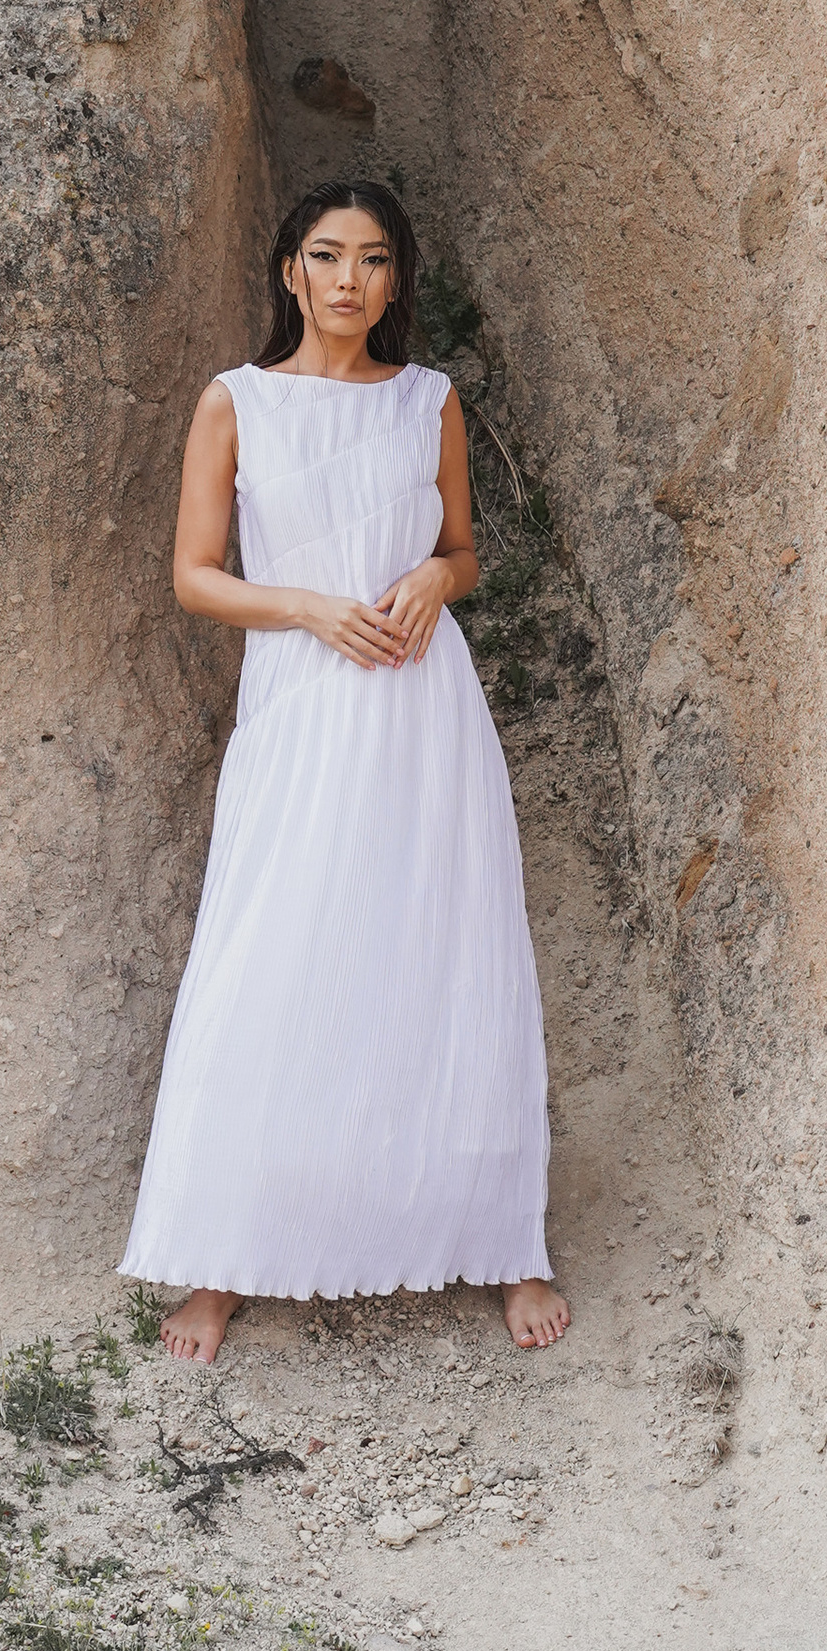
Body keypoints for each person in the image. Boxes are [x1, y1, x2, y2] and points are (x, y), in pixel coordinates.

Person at [119, 179, 570, 1363]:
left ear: (394, 282)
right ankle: (220, 1258)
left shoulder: (430, 402)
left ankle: (505, 1242)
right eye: (326, 256)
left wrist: (433, 579)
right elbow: (194, 575)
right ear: (288, 272)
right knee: (272, 950)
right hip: (304, 700)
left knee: (449, 942)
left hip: (424, 706)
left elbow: (463, 553)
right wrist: (310, 609)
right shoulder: (237, 403)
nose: (348, 281)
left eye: (373, 261)